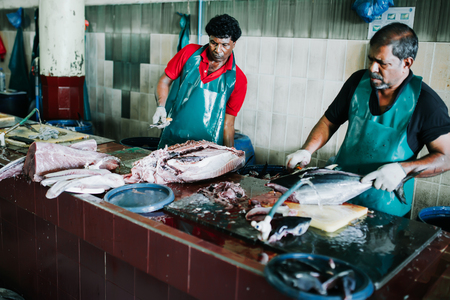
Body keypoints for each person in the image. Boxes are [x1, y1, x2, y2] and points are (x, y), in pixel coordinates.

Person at [286, 23, 450, 217]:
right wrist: (307, 150)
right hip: (339, 197)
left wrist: (403, 170)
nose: (373, 68)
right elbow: (329, 121)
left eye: (382, 63)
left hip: (386, 209)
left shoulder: (427, 103)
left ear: (406, 63)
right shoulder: (357, 83)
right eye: (371, 59)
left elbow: (446, 156)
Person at [152, 14, 247, 149]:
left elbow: (228, 124)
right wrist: (161, 107)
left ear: (234, 44)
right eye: (213, 43)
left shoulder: (238, 79)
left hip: (208, 148)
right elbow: (164, 81)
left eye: (224, 45)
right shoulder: (189, 54)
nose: (217, 50)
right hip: (174, 137)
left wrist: (230, 154)